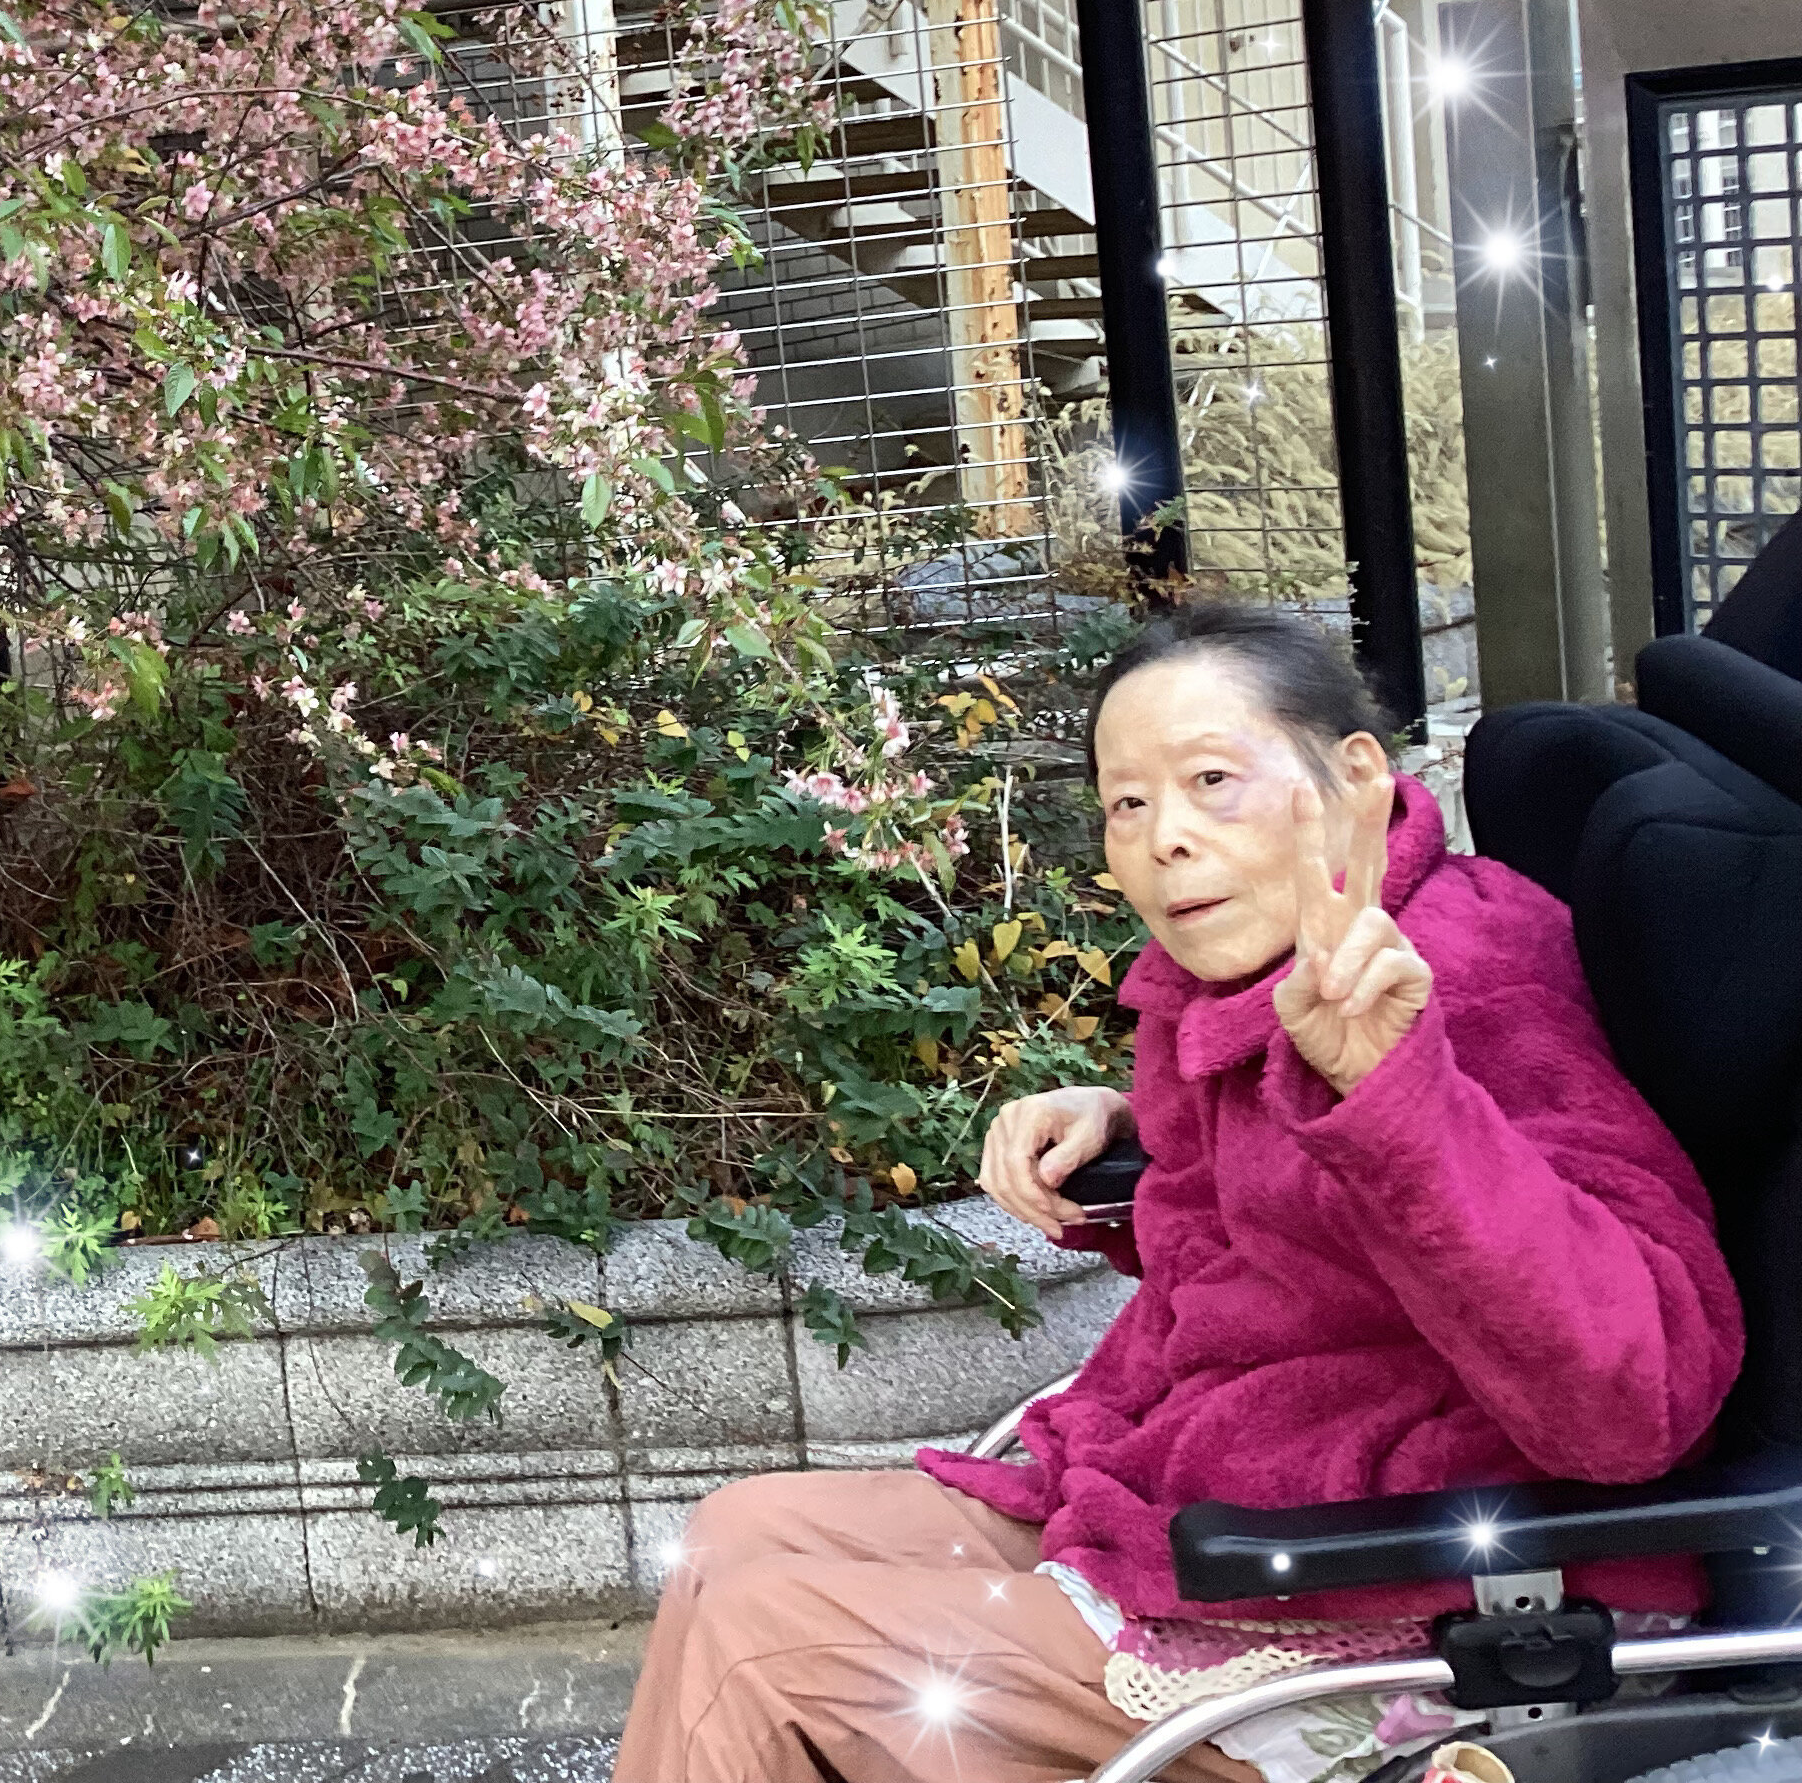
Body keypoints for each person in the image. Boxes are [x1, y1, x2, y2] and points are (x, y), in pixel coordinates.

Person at [613, 604, 1744, 1783]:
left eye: (1212, 782)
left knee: (766, 1654)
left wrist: (1397, 1096)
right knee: (734, 1538)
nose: (1165, 839)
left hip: (1424, 1584)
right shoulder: (1235, 988)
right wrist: (1129, 1125)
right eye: (1128, 804)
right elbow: (1283, 1232)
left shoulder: (1466, 975)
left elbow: (1637, 1399)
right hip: (1207, 1493)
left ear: (1354, 778)